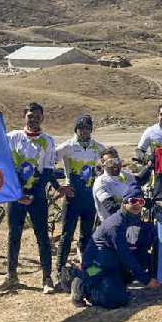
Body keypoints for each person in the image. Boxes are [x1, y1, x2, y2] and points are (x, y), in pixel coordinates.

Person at [0, 102, 62, 295]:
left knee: (42, 236)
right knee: (13, 235)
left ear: (43, 118)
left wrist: (31, 195)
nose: (33, 119)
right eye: (30, 116)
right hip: (15, 195)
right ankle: (11, 275)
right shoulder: (13, 137)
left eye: (37, 116)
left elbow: (48, 171)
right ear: (25, 116)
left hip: (37, 197)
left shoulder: (48, 141)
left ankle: (47, 277)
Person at [67, 182, 160, 308]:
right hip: (98, 266)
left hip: (114, 263)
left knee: (144, 259)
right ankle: (81, 282)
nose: (137, 205)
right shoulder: (116, 224)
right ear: (124, 202)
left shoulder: (136, 220)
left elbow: (144, 246)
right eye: (133, 201)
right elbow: (125, 254)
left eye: (141, 202)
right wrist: (146, 280)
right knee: (116, 300)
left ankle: (115, 282)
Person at [54, 115, 105, 287]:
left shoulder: (97, 147)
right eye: (80, 127)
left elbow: (110, 160)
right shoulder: (68, 146)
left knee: (86, 236)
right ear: (75, 129)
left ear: (91, 130)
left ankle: (87, 269)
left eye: (87, 128)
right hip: (72, 198)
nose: (84, 131)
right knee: (67, 235)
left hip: (89, 198)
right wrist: (59, 185)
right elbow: (49, 160)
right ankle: (58, 271)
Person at [92, 147, 152, 223]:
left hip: (130, 223)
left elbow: (139, 180)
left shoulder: (123, 175)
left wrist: (149, 167)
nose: (115, 165)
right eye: (110, 162)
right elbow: (111, 207)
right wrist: (138, 203)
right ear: (103, 166)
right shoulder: (101, 182)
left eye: (116, 160)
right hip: (113, 225)